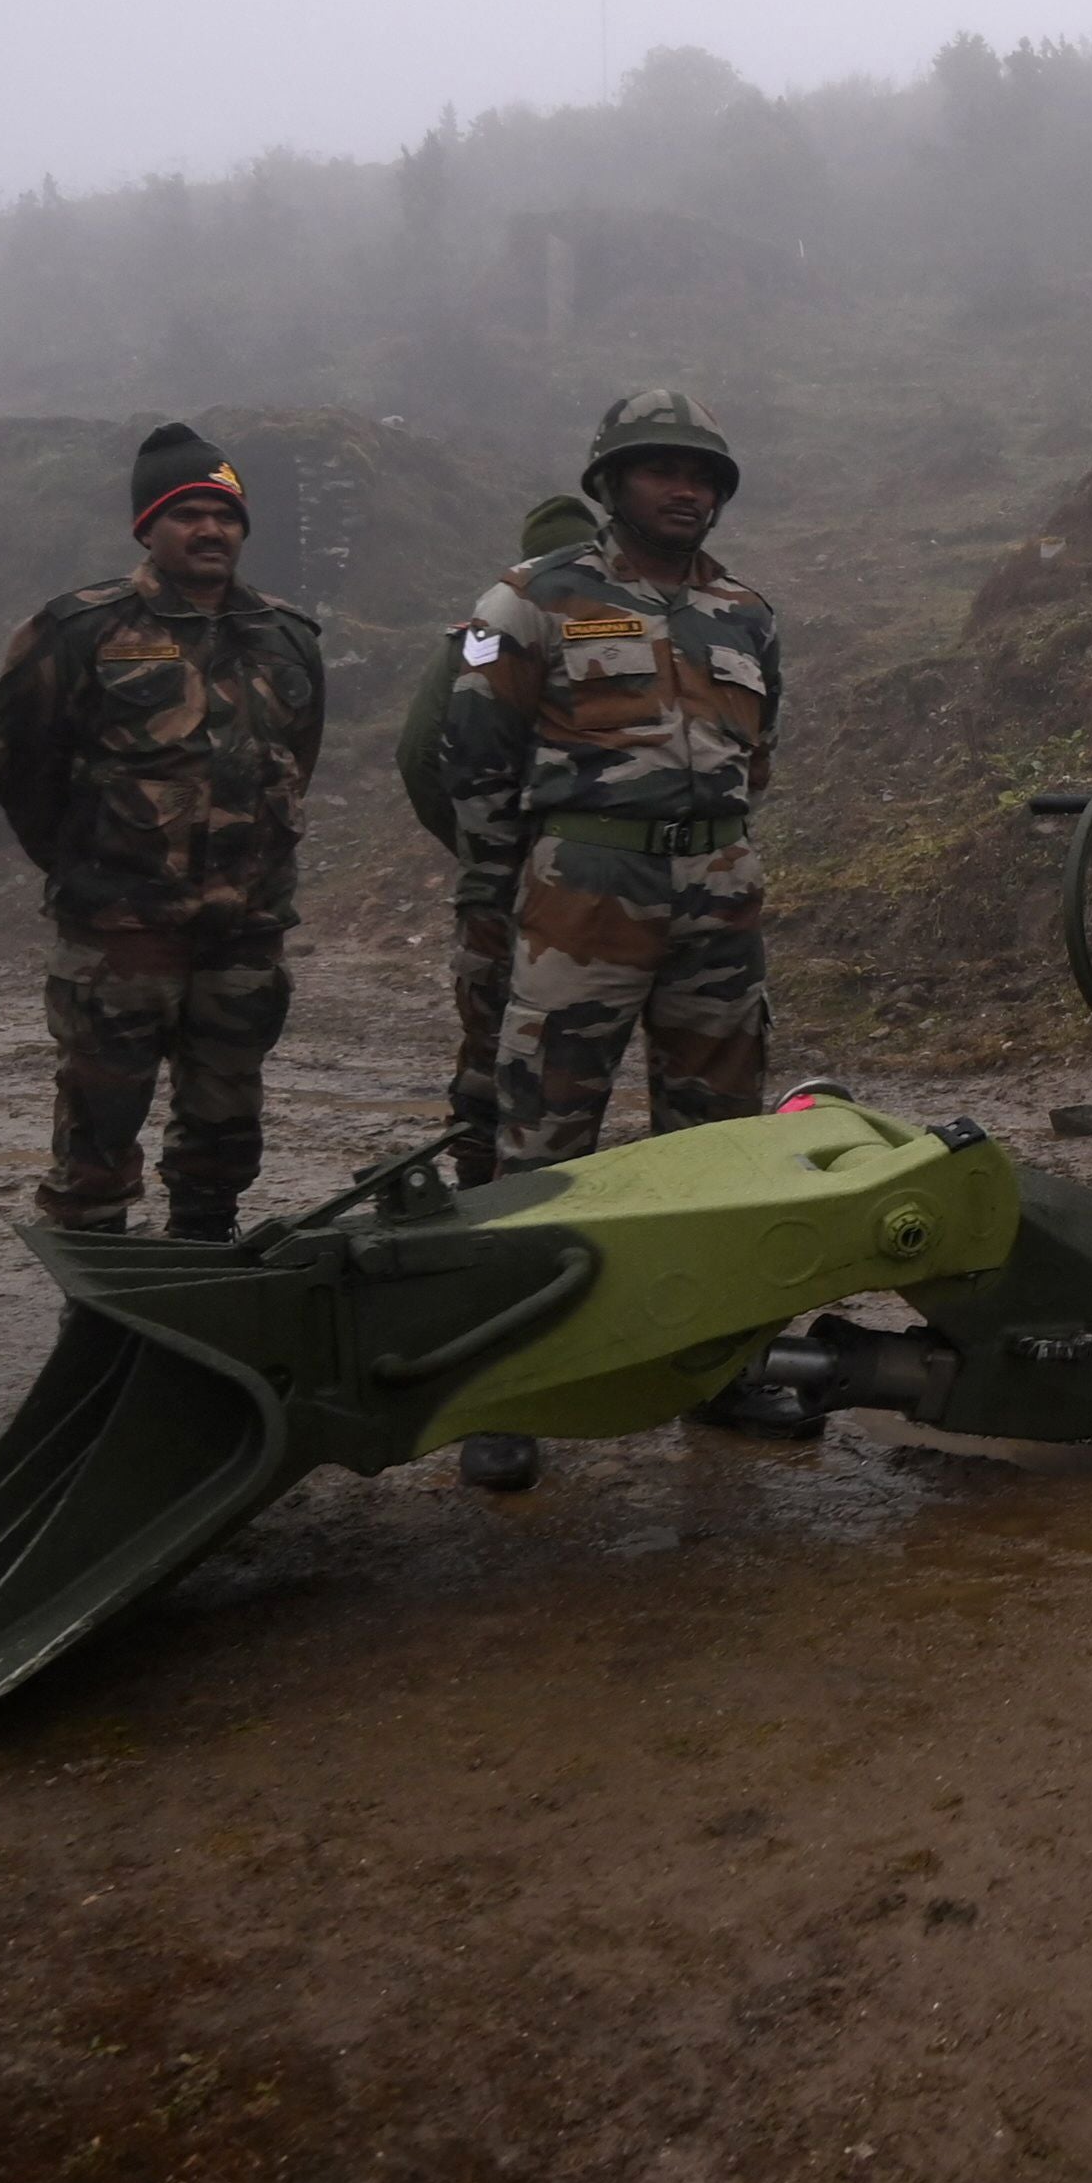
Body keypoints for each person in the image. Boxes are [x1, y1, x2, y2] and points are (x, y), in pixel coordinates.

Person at [431, 388, 802, 1456]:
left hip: (720, 895)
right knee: (543, 1138)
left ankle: (717, 1367)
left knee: (722, 1145)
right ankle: (508, 1392)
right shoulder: (519, 603)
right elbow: (473, 757)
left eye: (703, 476)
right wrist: (499, 902)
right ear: (611, 481)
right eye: (661, 470)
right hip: (580, 894)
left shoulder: (749, 612)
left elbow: (757, 752)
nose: (685, 490)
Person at [0, 425, 327, 1239]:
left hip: (243, 930)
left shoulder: (287, 638)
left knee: (226, 1119)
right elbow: (21, 766)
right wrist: (94, 864)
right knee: (100, 1125)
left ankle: (200, 1264)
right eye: (187, 514)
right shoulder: (78, 631)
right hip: (120, 931)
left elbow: (295, 762)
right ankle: (96, 1298)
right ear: (148, 527)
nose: (211, 530)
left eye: (226, 515)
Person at [396, 488, 606, 1178]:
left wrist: (478, 850)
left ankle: (478, 1197)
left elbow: (421, 754)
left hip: (501, 881)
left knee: (494, 1046)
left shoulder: (485, 629)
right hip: (598, 882)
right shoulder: (630, 626)